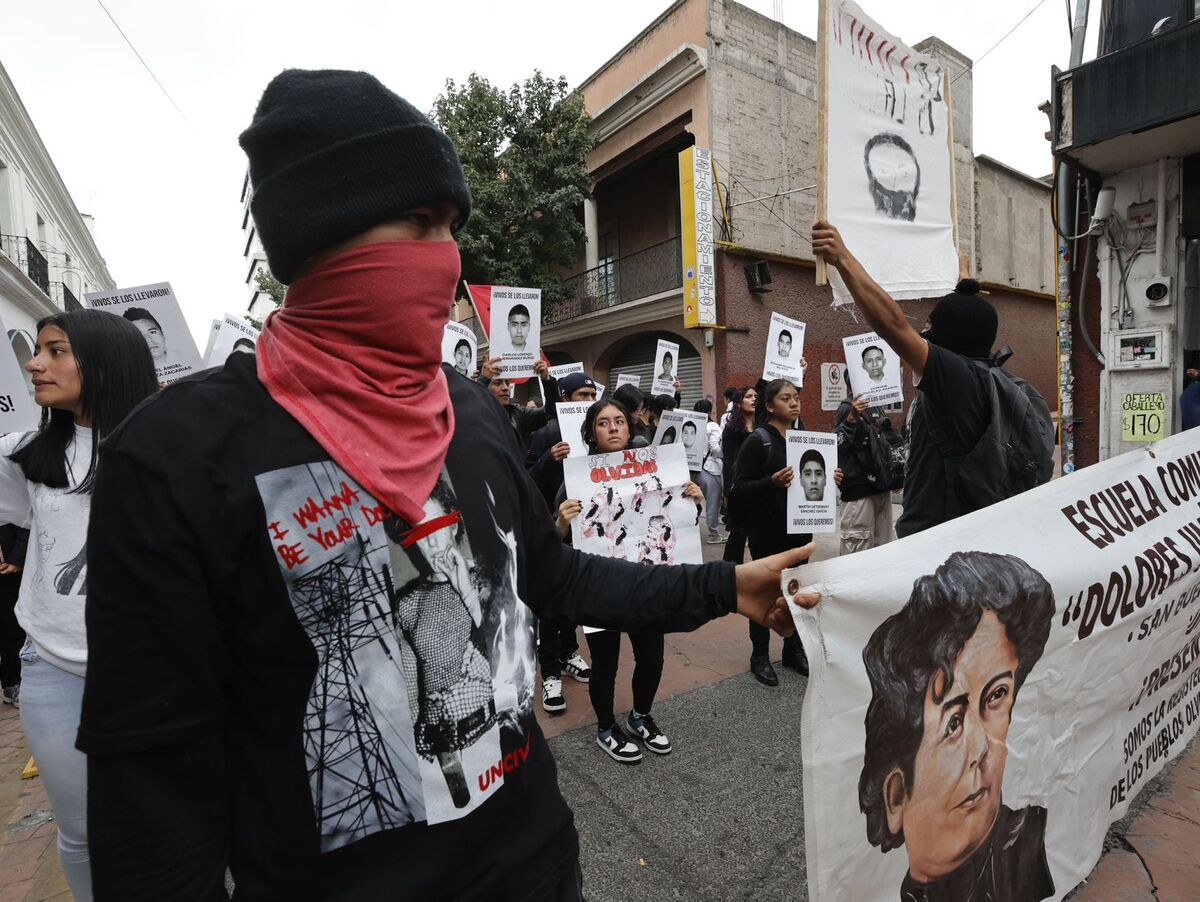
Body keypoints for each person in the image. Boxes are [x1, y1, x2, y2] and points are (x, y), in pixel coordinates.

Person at [79, 68, 811, 902]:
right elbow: (151, 787)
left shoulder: (465, 409)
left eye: (452, 226)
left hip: (535, 868)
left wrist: (726, 585)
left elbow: (556, 575)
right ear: (320, 232)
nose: (448, 258)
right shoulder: (175, 457)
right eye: (421, 222)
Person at [0, 309, 158, 901]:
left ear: (105, 362)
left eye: (55, 350)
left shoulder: (168, 446)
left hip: (158, 673)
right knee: (82, 834)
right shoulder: (25, 453)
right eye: (36, 350)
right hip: (55, 674)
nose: (35, 364)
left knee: (169, 817)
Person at [813, 220, 1044, 538]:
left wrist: (842, 258)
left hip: (939, 547)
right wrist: (964, 280)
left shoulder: (958, 383)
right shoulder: (985, 377)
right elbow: (965, 322)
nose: (922, 332)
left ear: (946, 341)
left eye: (928, 326)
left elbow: (894, 326)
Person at [858, 551, 1055, 902]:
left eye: (997, 695)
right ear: (896, 795)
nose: (983, 747)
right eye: (953, 723)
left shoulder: (1029, 850)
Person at [556, 399, 706, 764]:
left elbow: (679, 523)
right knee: (605, 664)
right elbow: (554, 542)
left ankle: (641, 716)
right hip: (600, 588)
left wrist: (695, 504)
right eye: (604, 422)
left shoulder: (657, 470)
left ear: (629, 427)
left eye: (619, 421)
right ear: (591, 431)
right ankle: (606, 728)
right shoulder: (572, 481)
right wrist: (560, 522)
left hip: (646, 584)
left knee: (651, 657)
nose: (613, 428)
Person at [733, 376, 818, 686]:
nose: (794, 402)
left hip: (799, 532)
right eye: (785, 398)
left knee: (795, 589)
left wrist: (831, 480)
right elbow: (739, 489)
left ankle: (793, 649)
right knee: (765, 590)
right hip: (767, 532)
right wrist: (771, 483)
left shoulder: (803, 439)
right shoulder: (759, 440)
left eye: (796, 396)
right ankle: (759, 655)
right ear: (769, 406)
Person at [524, 371, 600, 713]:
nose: (588, 401)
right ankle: (550, 672)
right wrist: (547, 459)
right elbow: (525, 482)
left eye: (591, 395)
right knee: (550, 606)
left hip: (589, 530)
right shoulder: (546, 433)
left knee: (574, 600)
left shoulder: (599, 431)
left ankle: (570, 654)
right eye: (581, 395)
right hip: (553, 530)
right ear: (565, 399)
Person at [836, 394, 895, 554]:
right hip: (859, 495)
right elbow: (838, 447)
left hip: (881, 490)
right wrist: (851, 419)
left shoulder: (876, 406)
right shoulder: (846, 407)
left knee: (883, 554)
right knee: (857, 552)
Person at [478, 354, 560, 450]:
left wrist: (547, 380)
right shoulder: (477, 414)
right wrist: (482, 381)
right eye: (497, 383)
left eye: (507, 383)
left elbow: (550, 412)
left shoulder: (517, 413)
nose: (505, 388)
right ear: (485, 388)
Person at [721, 386, 758, 564]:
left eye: (755, 396)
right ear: (738, 402)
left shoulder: (762, 426)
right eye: (748, 396)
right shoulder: (731, 429)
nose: (753, 399)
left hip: (760, 486)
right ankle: (730, 573)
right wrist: (728, 492)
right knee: (738, 535)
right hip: (740, 489)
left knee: (760, 535)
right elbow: (728, 464)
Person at [0, 524, 29, 707]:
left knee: (12, 625)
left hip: (8, 564)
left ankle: (13, 683)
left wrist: (18, 556)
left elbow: (26, 519)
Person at [694, 399, 725, 544]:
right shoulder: (712, 425)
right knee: (713, 502)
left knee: (693, 501)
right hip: (709, 469)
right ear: (709, 411)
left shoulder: (692, 424)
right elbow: (715, 448)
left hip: (692, 469)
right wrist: (725, 453)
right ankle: (713, 534)